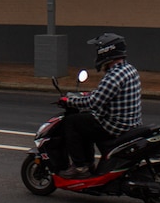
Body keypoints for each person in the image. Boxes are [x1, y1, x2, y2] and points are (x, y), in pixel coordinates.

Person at [57, 32, 142, 179]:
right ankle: (88, 163)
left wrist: (68, 101)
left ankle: (80, 166)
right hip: (131, 123)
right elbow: (104, 95)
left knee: (71, 122)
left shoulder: (114, 75)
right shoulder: (129, 70)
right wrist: (87, 94)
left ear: (106, 51)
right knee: (86, 122)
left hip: (115, 125)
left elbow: (94, 103)